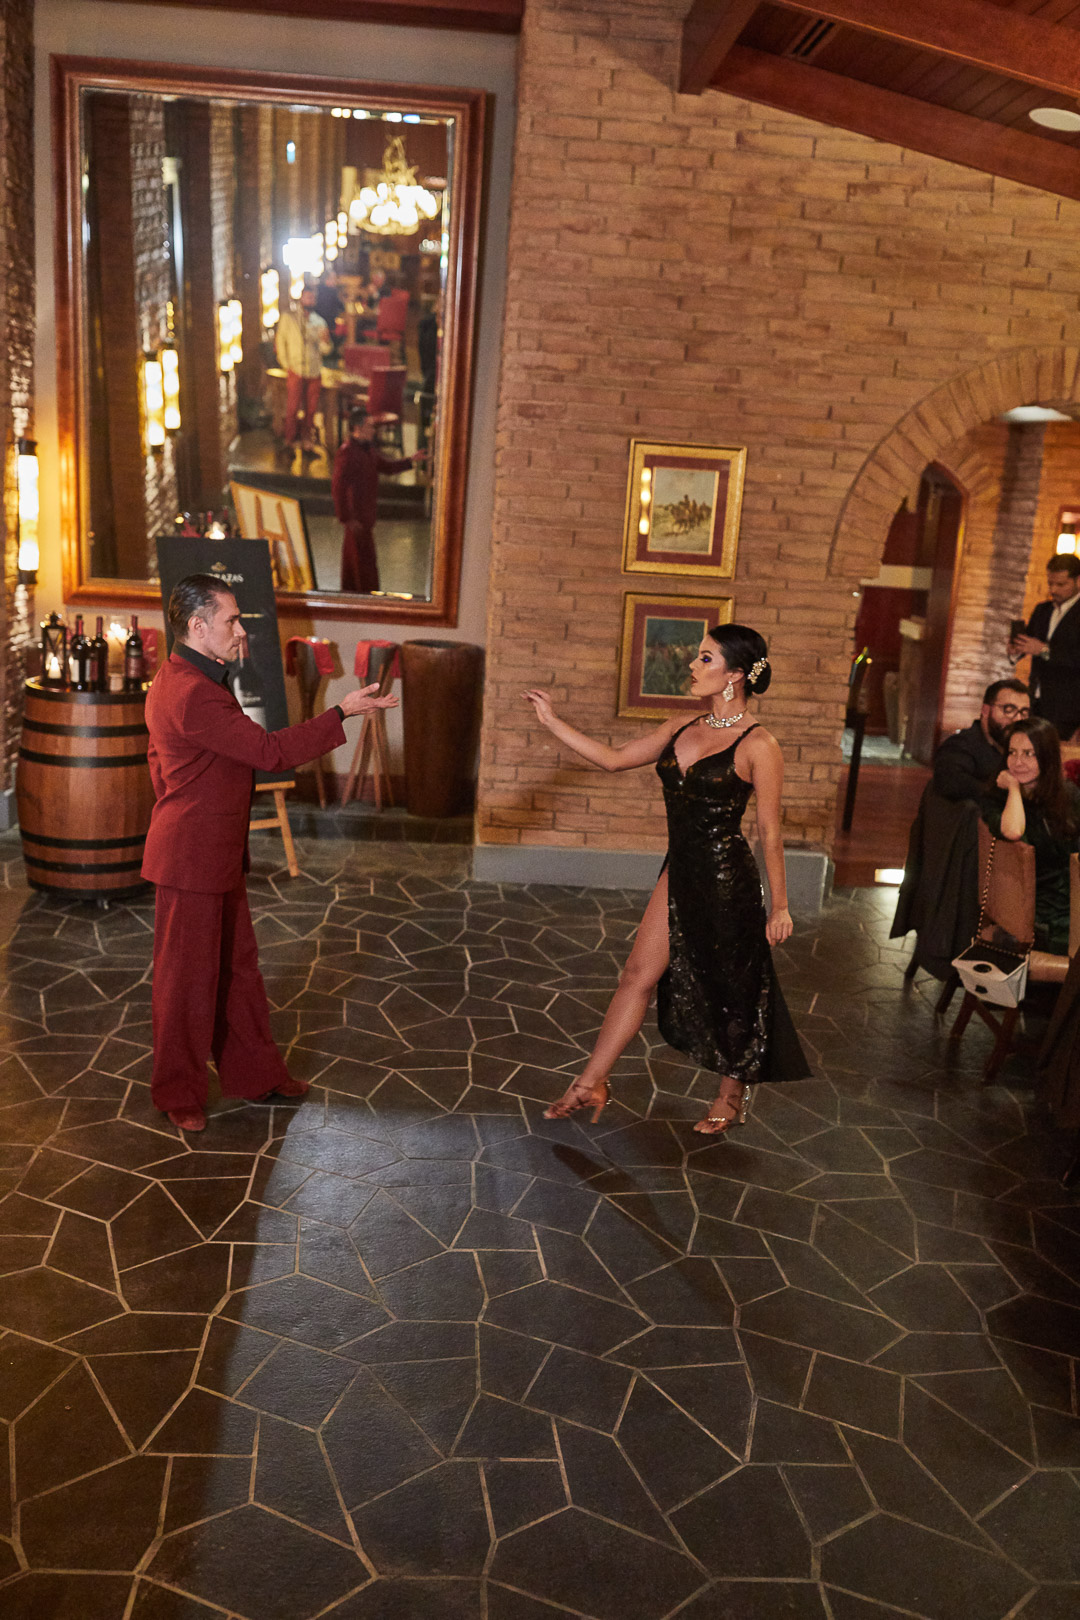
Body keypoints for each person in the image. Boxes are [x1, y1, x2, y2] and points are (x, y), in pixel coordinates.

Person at [523, 623, 810, 1134]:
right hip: (680, 870)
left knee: (732, 988)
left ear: (735, 674)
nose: (693, 666)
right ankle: (590, 1082)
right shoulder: (680, 727)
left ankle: (730, 1096)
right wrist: (552, 721)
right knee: (637, 975)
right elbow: (613, 761)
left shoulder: (760, 745)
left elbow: (769, 831)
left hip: (727, 880)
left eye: (705, 659)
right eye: (698, 657)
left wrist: (781, 905)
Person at [142, 574, 398, 1134]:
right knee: (185, 985)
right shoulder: (193, 691)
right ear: (198, 626)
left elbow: (159, 763)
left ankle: (257, 1074)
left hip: (213, 853)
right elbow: (269, 751)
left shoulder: (185, 677)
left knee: (238, 971)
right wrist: (342, 712)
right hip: (191, 860)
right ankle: (177, 1092)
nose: (241, 631)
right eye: (231, 620)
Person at [985, 716, 1080, 953]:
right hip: (1040, 916)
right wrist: (1014, 789)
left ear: (1047, 757)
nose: (1018, 762)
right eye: (1012, 753)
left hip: (1070, 903)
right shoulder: (997, 800)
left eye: (1029, 754)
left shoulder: (1068, 795)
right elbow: (1013, 830)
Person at [332, 404, 424, 594]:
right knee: (361, 567)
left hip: (365, 518)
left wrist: (410, 461)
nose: (374, 431)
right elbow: (338, 488)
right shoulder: (347, 453)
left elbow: (386, 467)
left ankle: (356, 595)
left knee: (360, 565)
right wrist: (346, 518)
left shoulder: (368, 450)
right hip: (357, 519)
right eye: (370, 426)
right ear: (358, 428)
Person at [1010, 554, 1080, 739]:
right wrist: (1016, 650)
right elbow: (1029, 644)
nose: (1053, 590)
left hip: (1069, 707)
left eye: (1061, 584)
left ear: (1078, 580)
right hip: (1036, 699)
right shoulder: (1042, 610)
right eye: (1050, 584)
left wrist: (1044, 650)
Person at [933, 678, 1030, 804]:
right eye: (1009, 709)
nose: (1018, 719)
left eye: (1024, 712)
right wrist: (1007, 792)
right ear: (986, 710)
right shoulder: (960, 745)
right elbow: (950, 781)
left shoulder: (1025, 750)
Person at [274, 280, 331, 455]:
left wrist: (324, 341)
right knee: (292, 408)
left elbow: (326, 350)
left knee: (311, 409)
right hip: (296, 368)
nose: (310, 300)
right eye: (308, 297)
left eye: (313, 298)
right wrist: (286, 364)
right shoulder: (289, 318)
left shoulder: (319, 321)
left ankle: (307, 442)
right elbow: (280, 341)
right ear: (301, 298)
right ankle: (289, 441)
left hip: (313, 370)